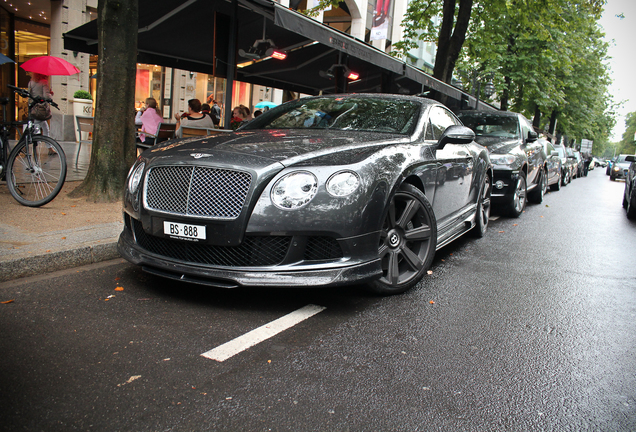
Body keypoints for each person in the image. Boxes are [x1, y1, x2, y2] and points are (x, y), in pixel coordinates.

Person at [27, 72, 53, 137]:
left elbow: (29, 96)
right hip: (41, 108)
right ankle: (34, 142)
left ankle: (48, 145)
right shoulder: (44, 82)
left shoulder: (31, 83)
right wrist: (50, 94)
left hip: (34, 108)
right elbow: (46, 96)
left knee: (44, 126)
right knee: (41, 127)